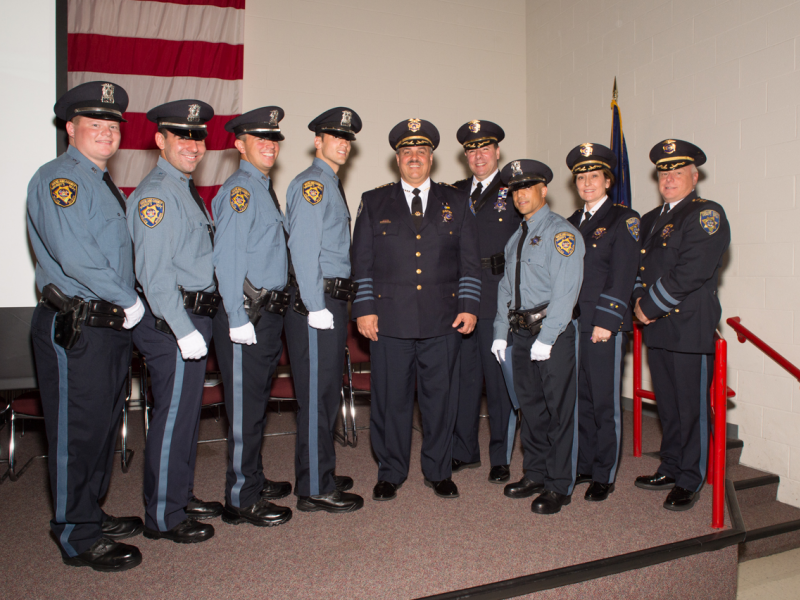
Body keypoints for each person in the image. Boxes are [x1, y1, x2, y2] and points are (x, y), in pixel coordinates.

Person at [27, 81, 144, 572]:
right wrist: (128, 299)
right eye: (94, 123)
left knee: (100, 426)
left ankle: (89, 512)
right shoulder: (62, 179)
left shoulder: (100, 183)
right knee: (76, 431)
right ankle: (75, 533)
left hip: (108, 325)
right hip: (76, 323)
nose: (106, 132)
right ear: (71, 128)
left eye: (112, 125)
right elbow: (76, 257)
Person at [352, 118, 481, 501]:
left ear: (431, 159)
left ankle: (439, 471)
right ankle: (390, 471)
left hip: (444, 319)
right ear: (397, 159)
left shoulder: (456, 202)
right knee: (391, 400)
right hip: (389, 320)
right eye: (407, 152)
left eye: (421, 152)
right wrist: (364, 308)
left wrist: (470, 306)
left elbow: (470, 262)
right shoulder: (374, 201)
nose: (414, 158)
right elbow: (361, 261)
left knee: (440, 400)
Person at [128, 99, 222, 543]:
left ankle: (179, 495)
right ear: (160, 140)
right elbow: (153, 272)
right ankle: (163, 515)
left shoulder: (183, 188)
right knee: (171, 421)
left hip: (191, 316)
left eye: (198, 136)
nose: (192, 144)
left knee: (186, 418)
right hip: (173, 322)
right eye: (181, 136)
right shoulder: (157, 195)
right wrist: (183, 329)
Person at [633, 139, 730, 511]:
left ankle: (692, 477)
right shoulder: (649, 219)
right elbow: (639, 268)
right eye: (663, 172)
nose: (669, 178)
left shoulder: (706, 214)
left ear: (694, 175)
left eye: (677, 171)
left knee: (691, 407)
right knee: (669, 405)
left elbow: (691, 272)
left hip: (688, 327)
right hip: (657, 327)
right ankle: (671, 466)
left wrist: (649, 306)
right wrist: (639, 301)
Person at [211, 106, 293, 528]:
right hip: (247, 316)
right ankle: (241, 499)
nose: (269, 145)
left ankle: (253, 479)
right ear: (239, 145)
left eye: (274, 138)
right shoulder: (240, 191)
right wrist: (236, 317)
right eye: (259, 138)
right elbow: (226, 260)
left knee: (255, 405)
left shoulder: (261, 187)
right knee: (244, 410)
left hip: (266, 316)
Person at [491, 159, 584, 515]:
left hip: (552, 335)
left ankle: (560, 485)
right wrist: (500, 331)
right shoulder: (518, 236)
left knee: (559, 412)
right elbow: (505, 288)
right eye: (515, 190)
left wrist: (548, 336)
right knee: (531, 410)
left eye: (528, 187)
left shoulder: (562, 233)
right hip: (521, 334)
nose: (521, 195)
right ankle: (536, 473)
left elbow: (566, 290)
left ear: (544, 190)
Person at [284, 107, 364, 513]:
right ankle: (316, 486)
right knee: (317, 397)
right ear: (318, 141)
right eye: (335, 136)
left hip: (330, 300)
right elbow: (302, 248)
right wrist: (316, 306)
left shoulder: (329, 183)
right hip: (316, 303)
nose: (342, 143)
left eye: (347, 138)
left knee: (326, 393)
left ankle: (319, 471)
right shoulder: (312, 185)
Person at [565, 143, 640, 502]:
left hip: (601, 325)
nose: (587, 182)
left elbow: (623, 274)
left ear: (608, 180)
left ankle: (604, 473)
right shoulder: (569, 224)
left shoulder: (623, 219)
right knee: (579, 397)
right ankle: (584, 463)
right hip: (572, 325)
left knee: (604, 401)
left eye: (594, 175)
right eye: (581, 176)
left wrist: (608, 321)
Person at [451, 120, 521, 484]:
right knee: (463, 377)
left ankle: (500, 456)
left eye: (485, 149)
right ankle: (464, 451)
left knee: (497, 380)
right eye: (471, 150)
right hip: (463, 294)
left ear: (497, 152)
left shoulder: (514, 190)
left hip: (498, 293)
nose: (478, 155)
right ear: (465, 156)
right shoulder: (454, 192)